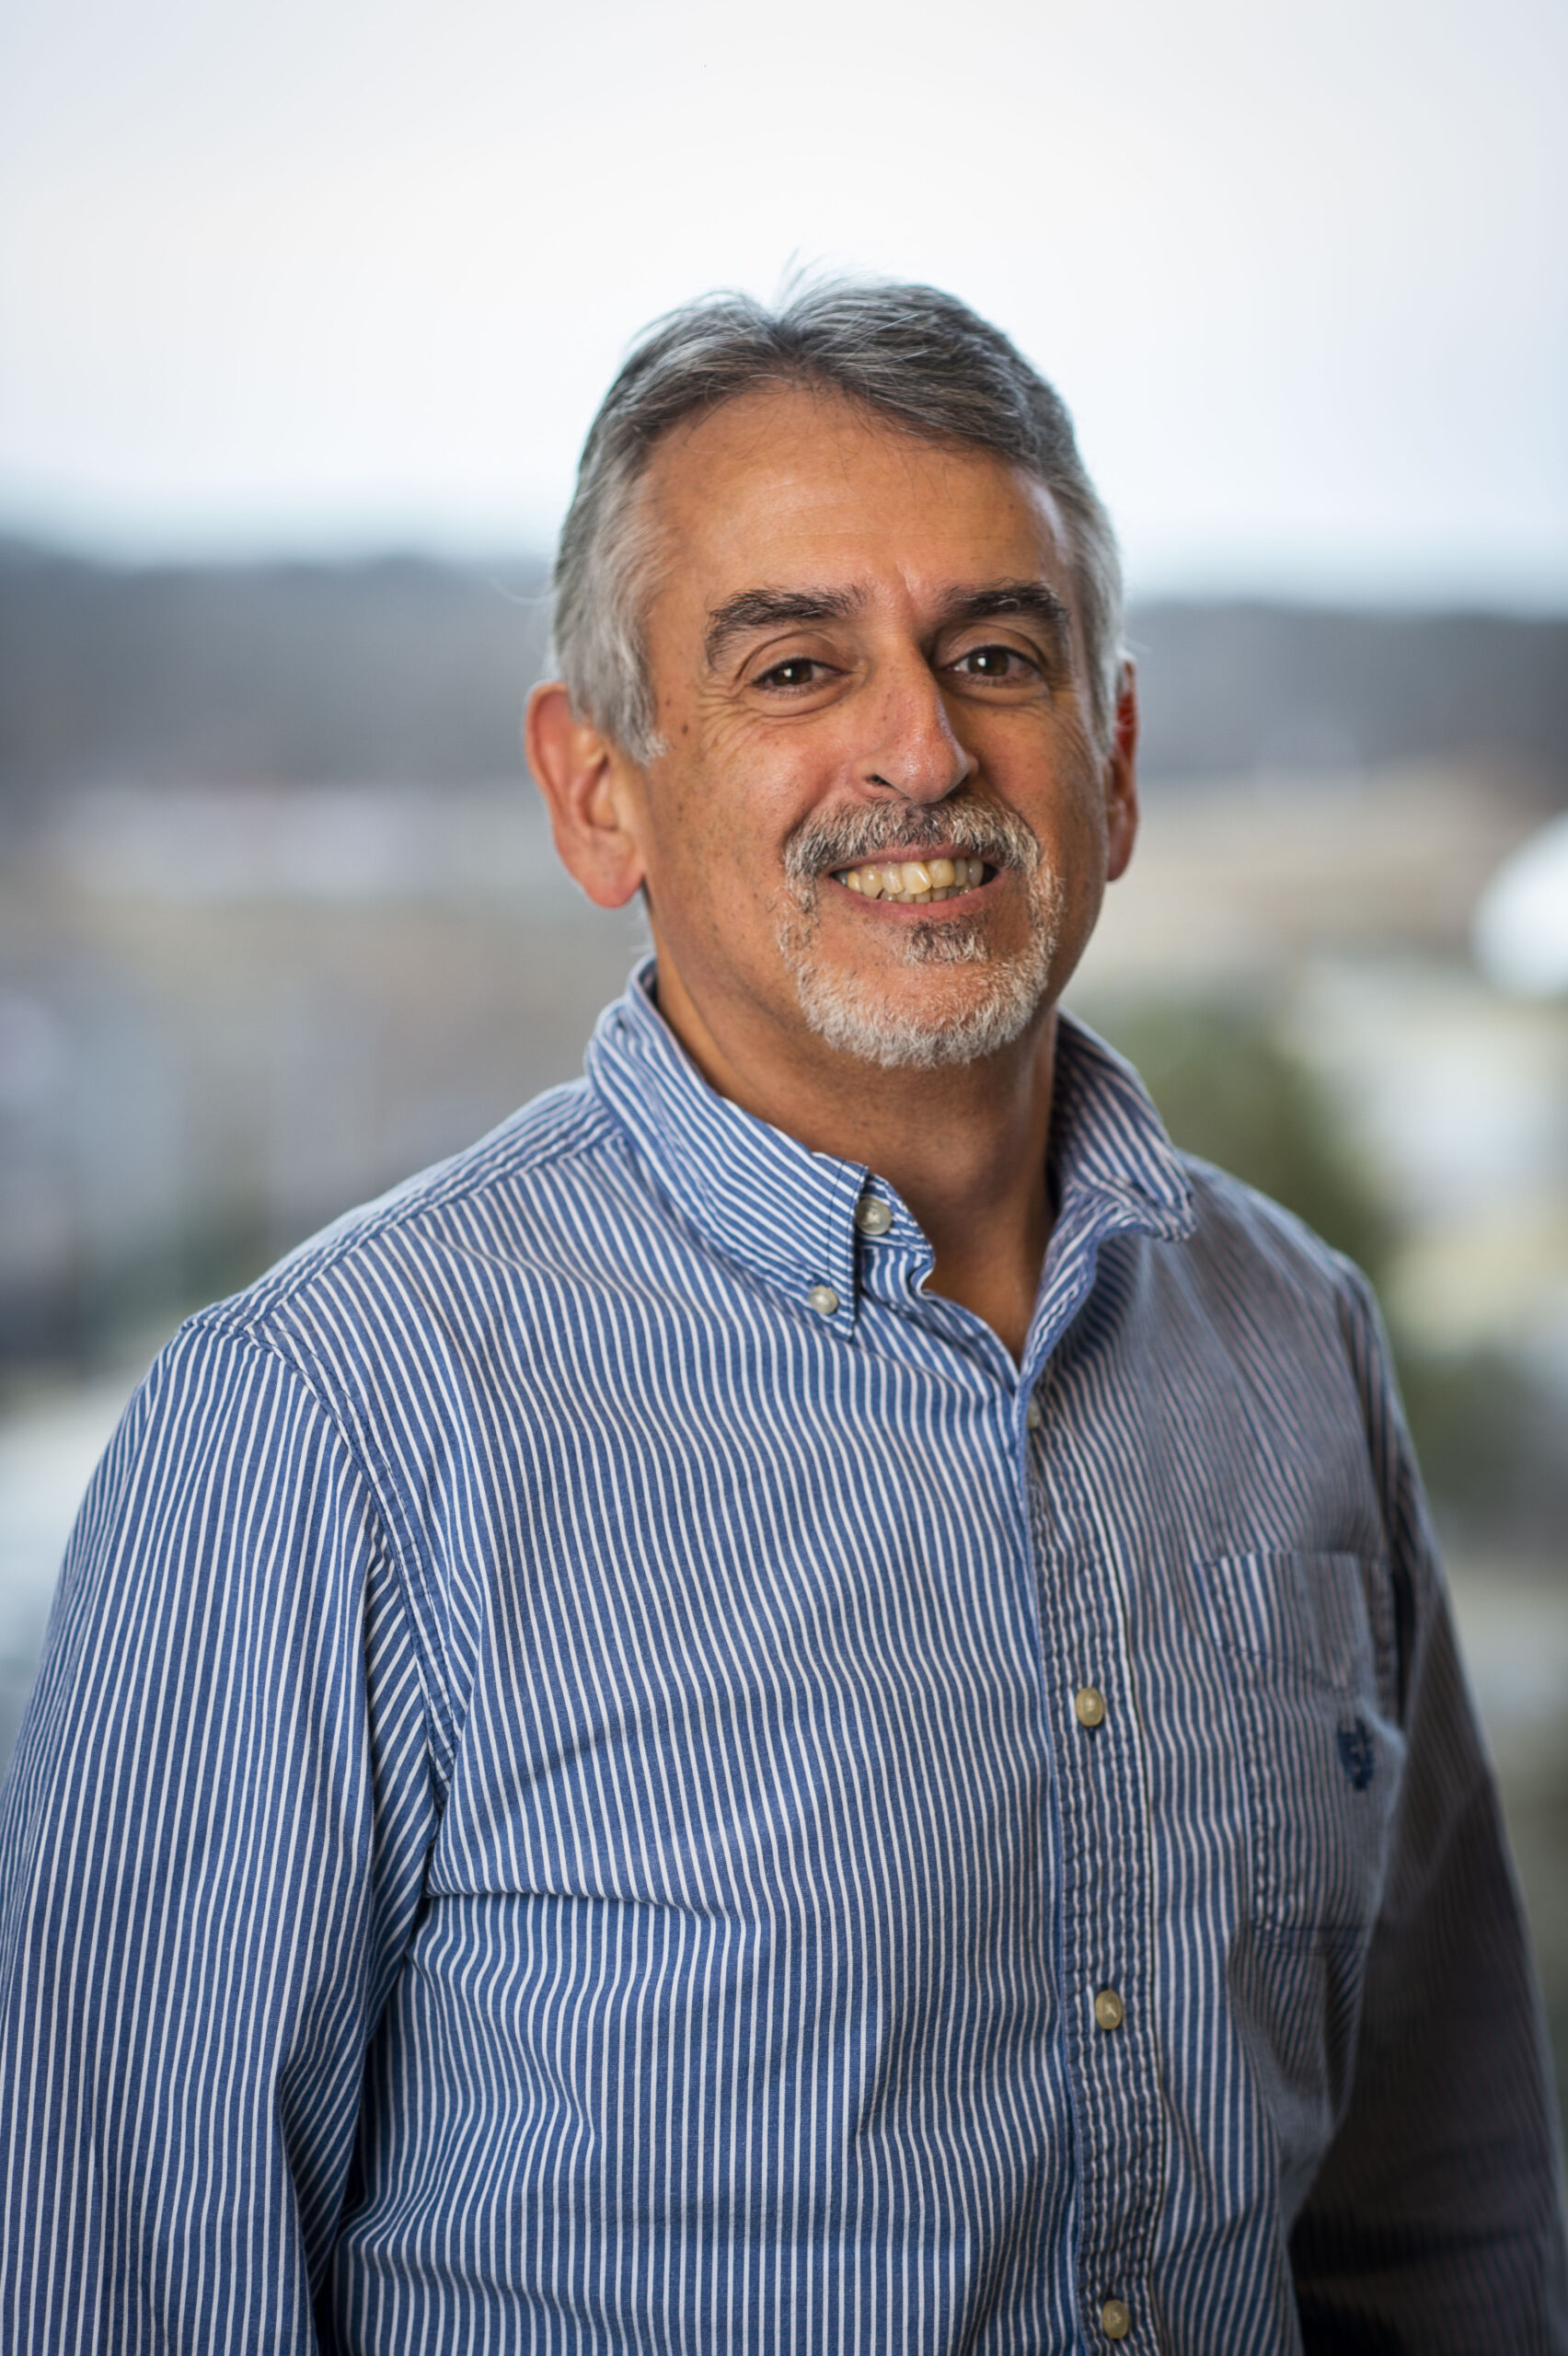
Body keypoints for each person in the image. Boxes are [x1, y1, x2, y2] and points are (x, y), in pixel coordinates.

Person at [0, 282, 1562, 2356]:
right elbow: (112, 2292)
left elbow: (1436, 2221)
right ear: (598, 793)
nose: (920, 747)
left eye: (996, 654)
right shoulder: (319, 1434)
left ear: (1112, 750)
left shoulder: (1301, 1341)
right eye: (796, 664)